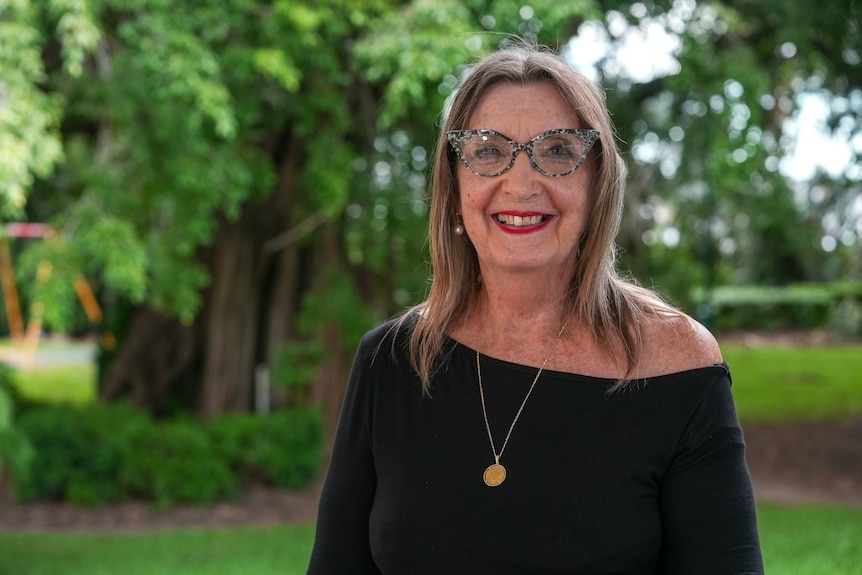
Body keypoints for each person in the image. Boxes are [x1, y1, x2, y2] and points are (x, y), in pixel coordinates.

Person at [307, 43, 764, 574]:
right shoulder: (390, 361)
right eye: (487, 151)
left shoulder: (677, 363)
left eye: (558, 151)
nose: (522, 185)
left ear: (597, 184)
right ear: (454, 188)